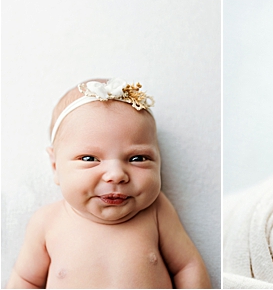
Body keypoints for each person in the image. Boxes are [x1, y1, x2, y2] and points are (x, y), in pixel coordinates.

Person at [7, 78, 210, 289]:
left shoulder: (156, 210)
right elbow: (26, 280)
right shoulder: (47, 222)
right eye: (89, 159)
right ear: (55, 166)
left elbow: (188, 266)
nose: (116, 175)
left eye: (137, 158)